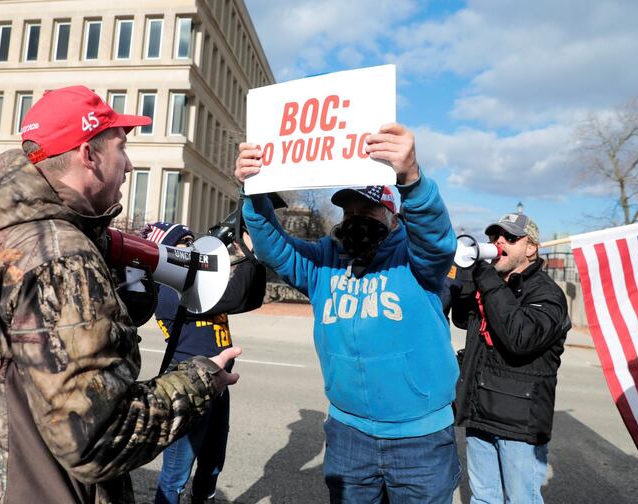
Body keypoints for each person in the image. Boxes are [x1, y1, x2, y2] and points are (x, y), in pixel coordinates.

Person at [0, 85, 241, 504]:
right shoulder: (62, 257)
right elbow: (99, 441)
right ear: (89, 155)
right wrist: (201, 381)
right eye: (120, 148)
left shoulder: (1, 232)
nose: (129, 165)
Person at [235, 123, 461, 504]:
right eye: (349, 210)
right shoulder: (325, 259)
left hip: (419, 440)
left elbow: (437, 239)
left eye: (368, 209)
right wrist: (253, 192)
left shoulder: (418, 260)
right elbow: (274, 248)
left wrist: (412, 179)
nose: (355, 218)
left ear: (392, 214)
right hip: (348, 436)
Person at [141, 221, 266, 504]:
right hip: (186, 387)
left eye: (191, 241)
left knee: (211, 464)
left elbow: (251, 299)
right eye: (184, 245)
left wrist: (253, 257)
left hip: (217, 386)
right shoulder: (168, 293)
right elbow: (232, 297)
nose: (192, 250)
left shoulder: (197, 285)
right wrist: (246, 250)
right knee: (175, 474)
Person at [452, 212, 570, 504]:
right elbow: (461, 319)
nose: (498, 242)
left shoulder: (548, 294)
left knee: (521, 499)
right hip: (479, 413)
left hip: (519, 426)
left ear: (531, 248)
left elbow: (520, 338)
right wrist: (466, 276)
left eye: (510, 238)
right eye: (494, 237)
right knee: (483, 498)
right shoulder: (492, 283)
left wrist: (487, 280)